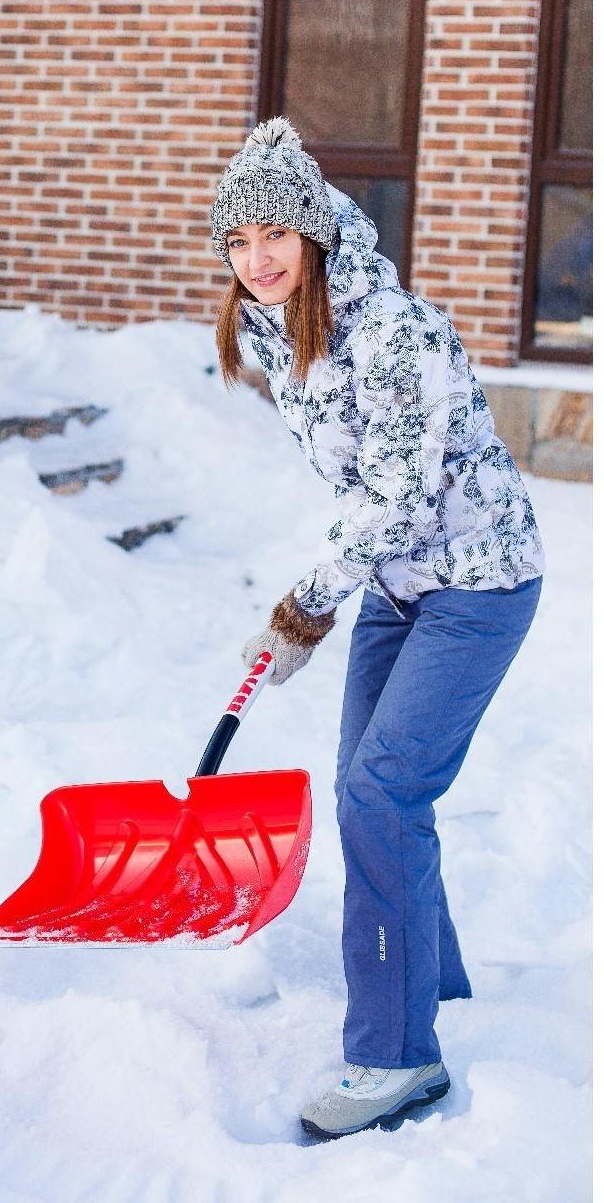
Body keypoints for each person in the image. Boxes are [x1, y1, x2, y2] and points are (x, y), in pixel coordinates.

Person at [210, 117, 544, 1140]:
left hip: (478, 582)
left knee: (380, 792)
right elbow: (372, 503)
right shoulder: (281, 330)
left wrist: (302, 606)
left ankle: (398, 1057)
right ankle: (429, 981)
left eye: (275, 236)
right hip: (402, 586)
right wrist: (326, 596)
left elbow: (397, 497)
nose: (257, 258)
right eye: (237, 240)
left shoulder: (391, 328)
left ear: (313, 236)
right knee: (374, 783)